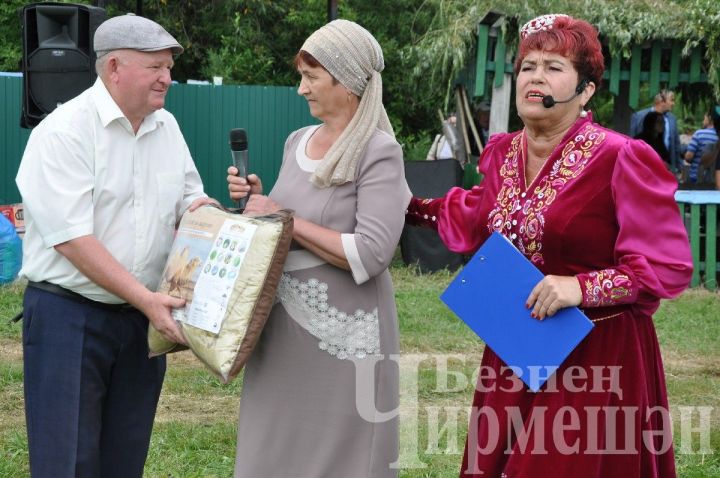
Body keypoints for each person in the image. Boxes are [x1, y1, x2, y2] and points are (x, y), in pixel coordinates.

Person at [406, 14, 692, 477]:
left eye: (554, 66)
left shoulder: (621, 157)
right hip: (516, 349)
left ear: (586, 90)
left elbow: (666, 266)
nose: (536, 75)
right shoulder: (503, 152)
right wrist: (406, 205)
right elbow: (473, 214)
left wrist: (582, 287)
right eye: (528, 66)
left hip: (597, 356)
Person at [15, 14, 217, 477]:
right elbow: (72, 239)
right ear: (114, 69)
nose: (167, 77)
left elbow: (191, 201)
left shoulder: (166, 127)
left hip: (140, 323)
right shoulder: (64, 131)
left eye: (168, 66)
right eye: (156, 67)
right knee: (67, 462)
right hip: (71, 318)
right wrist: (148, 300)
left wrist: (226, 218)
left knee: (124, 459)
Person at [227, 19, 410, 477]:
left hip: (344, 336)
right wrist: (257, 202)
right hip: (281, 329)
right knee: (273, 446)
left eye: (311, 76)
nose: (300, 89)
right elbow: (291, 216)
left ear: (346, 82)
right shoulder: (297, 142)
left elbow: (371, 253)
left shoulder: (379, 151)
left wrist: (284, 218)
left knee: (342, 455)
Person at [630, 89, 681, 171]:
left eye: (662, 123)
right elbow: (632, 141)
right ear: (661, 100)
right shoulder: (639, 116)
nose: (673, 103)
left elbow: (676, 146)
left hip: (666, 168)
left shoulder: (672, 119)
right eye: (671, 100)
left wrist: (678, 168)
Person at [683, 108, 719, 184]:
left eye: (704, 118)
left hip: (697, 177)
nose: (703, 121)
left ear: (710, 119)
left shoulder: (699, 134)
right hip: (716, 179)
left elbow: (688, 157)